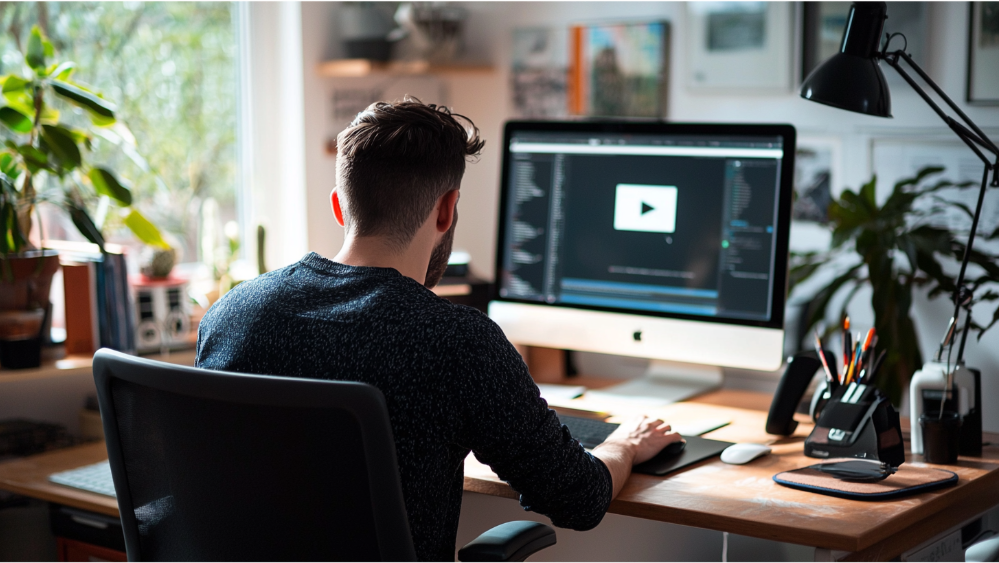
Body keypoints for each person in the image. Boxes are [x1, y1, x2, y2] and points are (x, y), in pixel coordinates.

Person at [196, 98, 681, 562]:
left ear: (340, 207)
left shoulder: (231, 314)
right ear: (446, 211)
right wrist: (625, 444)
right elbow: (579, 498)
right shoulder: (456, 342)